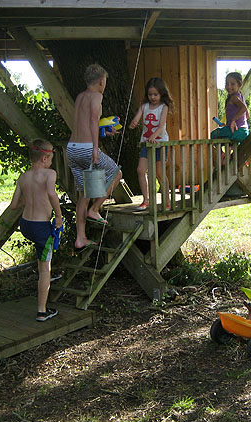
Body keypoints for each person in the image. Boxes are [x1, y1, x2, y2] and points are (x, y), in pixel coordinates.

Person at [67, 64, 122, 250]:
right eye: (105, 81)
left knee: (83, 194)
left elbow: (84, 125)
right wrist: (96, 148)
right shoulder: (97, 96)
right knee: (115, 173)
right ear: (101, 81)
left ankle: (80, 238)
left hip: (72, 149)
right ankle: (95, 209)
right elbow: (92, 121)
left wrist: (105, 133)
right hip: (86, 148)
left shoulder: (80, 97)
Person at [10, 139, 62, 321]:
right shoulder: (49, 174)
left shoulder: (24, 177)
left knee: (43, 262)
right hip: (41, 227)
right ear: (45, 157)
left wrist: (30, 199)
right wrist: (59, 216)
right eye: (51, 158)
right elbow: (51, 193)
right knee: (44, 270)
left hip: (26, 225)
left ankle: (46, 282)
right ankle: (42, 311)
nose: (51, 162)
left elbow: (14, 204)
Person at [129, 77, 173, 210]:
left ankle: (167, 200)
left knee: (159, 173)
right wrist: (134, 122)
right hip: (146, 144)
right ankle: (146, 200)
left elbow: (160, 126)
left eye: (155, 94)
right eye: (150, 94)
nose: (152, 97)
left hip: (160, 144)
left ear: (161, 94)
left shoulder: (163, 107)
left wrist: (153, 136)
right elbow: (137, 117)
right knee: (141, 170)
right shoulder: (144, 106)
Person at [210, 72, 249, 142]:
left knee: (214, 134)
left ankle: (221, 153)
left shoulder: (234, 98)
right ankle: (229, 150)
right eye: (227, 84)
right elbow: (246, 114)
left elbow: (244, 108)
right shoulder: (241, 96)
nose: (229, 86)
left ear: (240, 85)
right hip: (244, 131)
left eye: (232, 84)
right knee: (226, 136)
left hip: (237, 131)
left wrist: (233, 120)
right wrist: (228, 125)